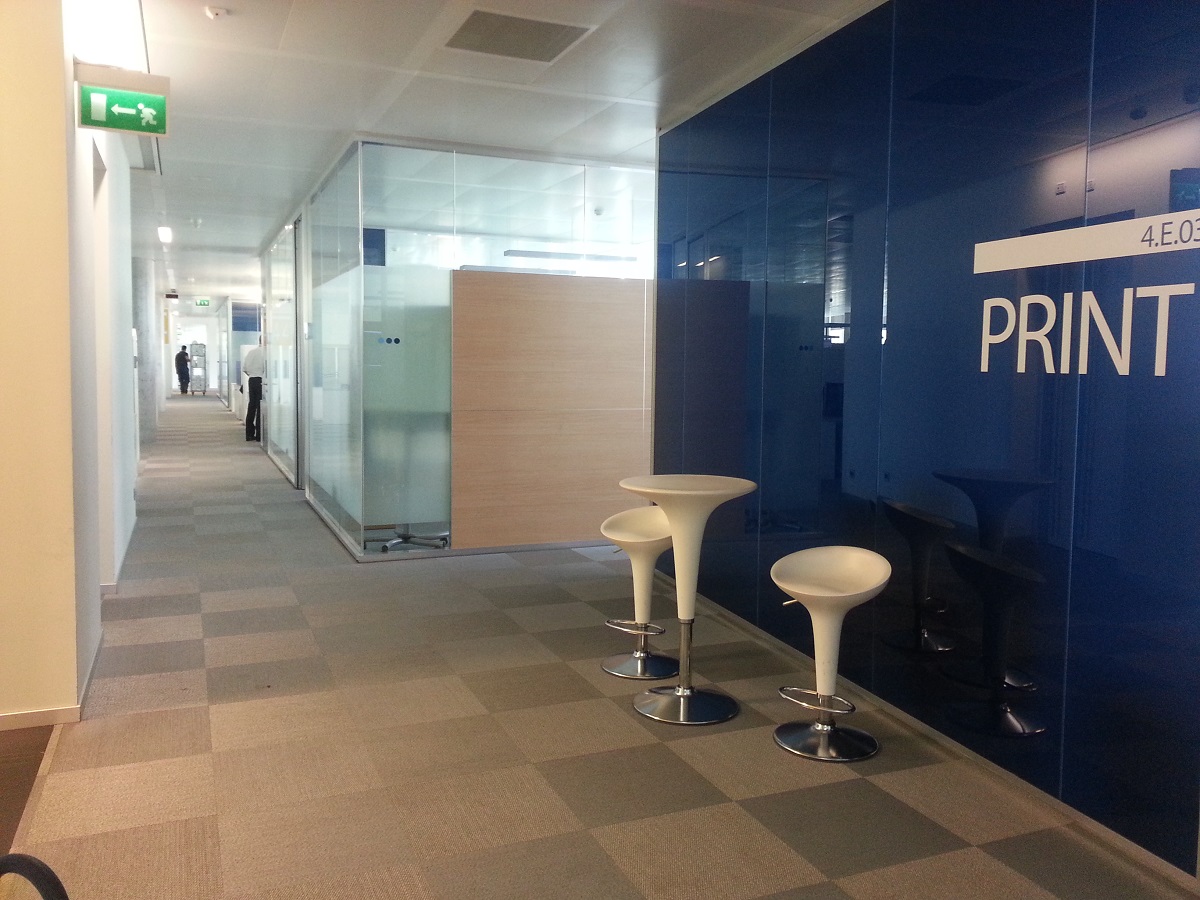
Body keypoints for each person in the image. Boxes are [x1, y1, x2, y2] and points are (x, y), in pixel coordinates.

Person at [242, 338, 266, 441]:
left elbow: (245, 369)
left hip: (251, 380)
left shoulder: (251, 352)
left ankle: (249, 433)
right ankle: (259, 434)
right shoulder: (265, 353)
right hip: (261, 381)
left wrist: (253, 374)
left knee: (251, 406)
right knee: (260, 407)